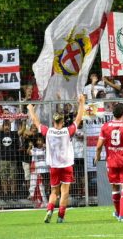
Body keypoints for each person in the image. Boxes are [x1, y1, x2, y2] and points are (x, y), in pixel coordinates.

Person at [27, 95, 85, 224]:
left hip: (54, 166)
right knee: (65, 192)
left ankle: (49, 209)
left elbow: (36, 122)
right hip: (67, 165)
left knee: (54, 191)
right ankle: (60, 217)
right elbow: (79, 119)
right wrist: (82, 103)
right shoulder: (67, 131)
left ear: (53, 122)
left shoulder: (48, 131)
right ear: (62, 122)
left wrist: (31, 109)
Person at [94, 103, 123, 222]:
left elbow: (99, 146)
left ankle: (118, 213)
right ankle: (122, 216)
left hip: (111, 162)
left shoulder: (105, 126)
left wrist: (97, 156)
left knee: (114, 187)